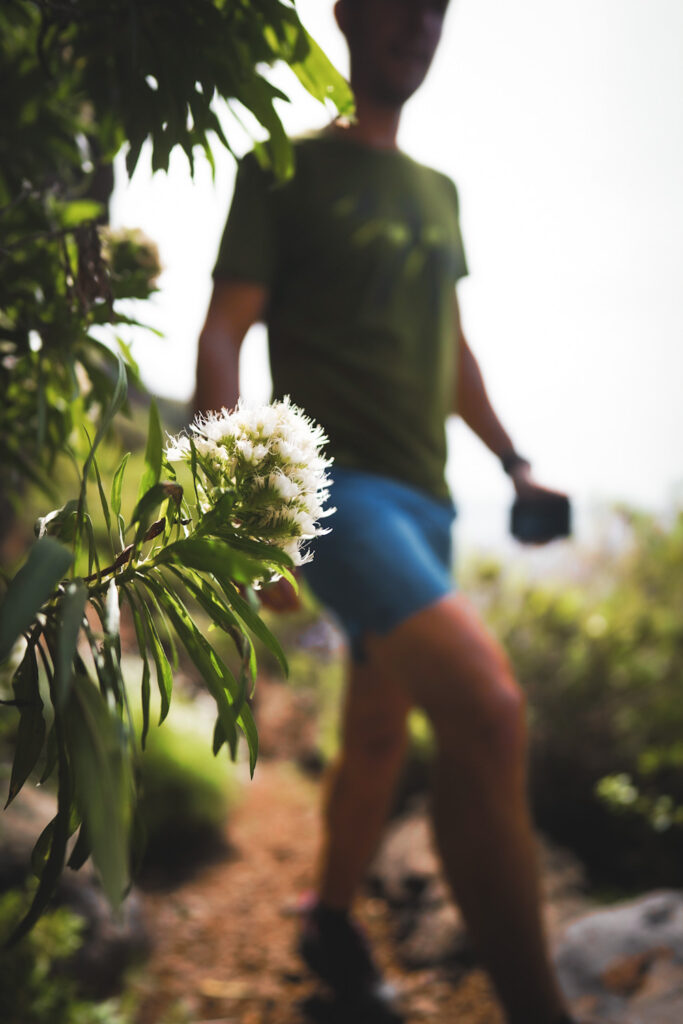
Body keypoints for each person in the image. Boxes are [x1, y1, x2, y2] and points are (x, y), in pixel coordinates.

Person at [194, 2, 578, 1022]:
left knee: (374, 740)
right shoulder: (279, 167)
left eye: (435, 11)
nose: (418, 25)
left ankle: (326, 913)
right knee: (489, 712)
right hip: (340, 496)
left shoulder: (436, 191)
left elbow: (451, 350)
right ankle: (541, 1008)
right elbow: (226, 331)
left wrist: (513, 461)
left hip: (429, 501)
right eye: (397, 5)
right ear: (347, 13)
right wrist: (239, 518)